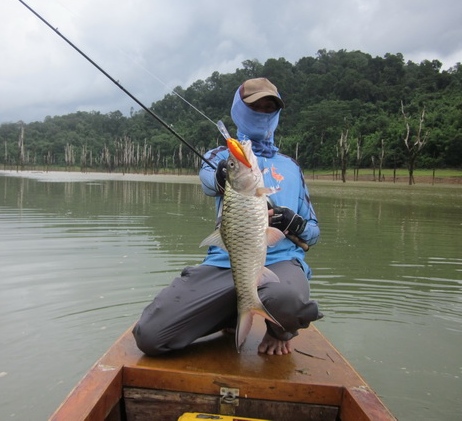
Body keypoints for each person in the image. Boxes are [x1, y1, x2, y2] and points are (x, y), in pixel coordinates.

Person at [133, 77, 322, 356]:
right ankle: (232, 313)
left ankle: (280, 329)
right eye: (255, 107)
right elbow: (211, 180)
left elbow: (313, 233)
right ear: (239, 111)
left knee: (287, 298)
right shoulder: (220, 156)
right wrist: (226, 172)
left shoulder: (291, 167)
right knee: (150, 336)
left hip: (280, 263)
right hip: (225, 263)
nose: (264, 113)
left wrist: (296, 223)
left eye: (270, 108)